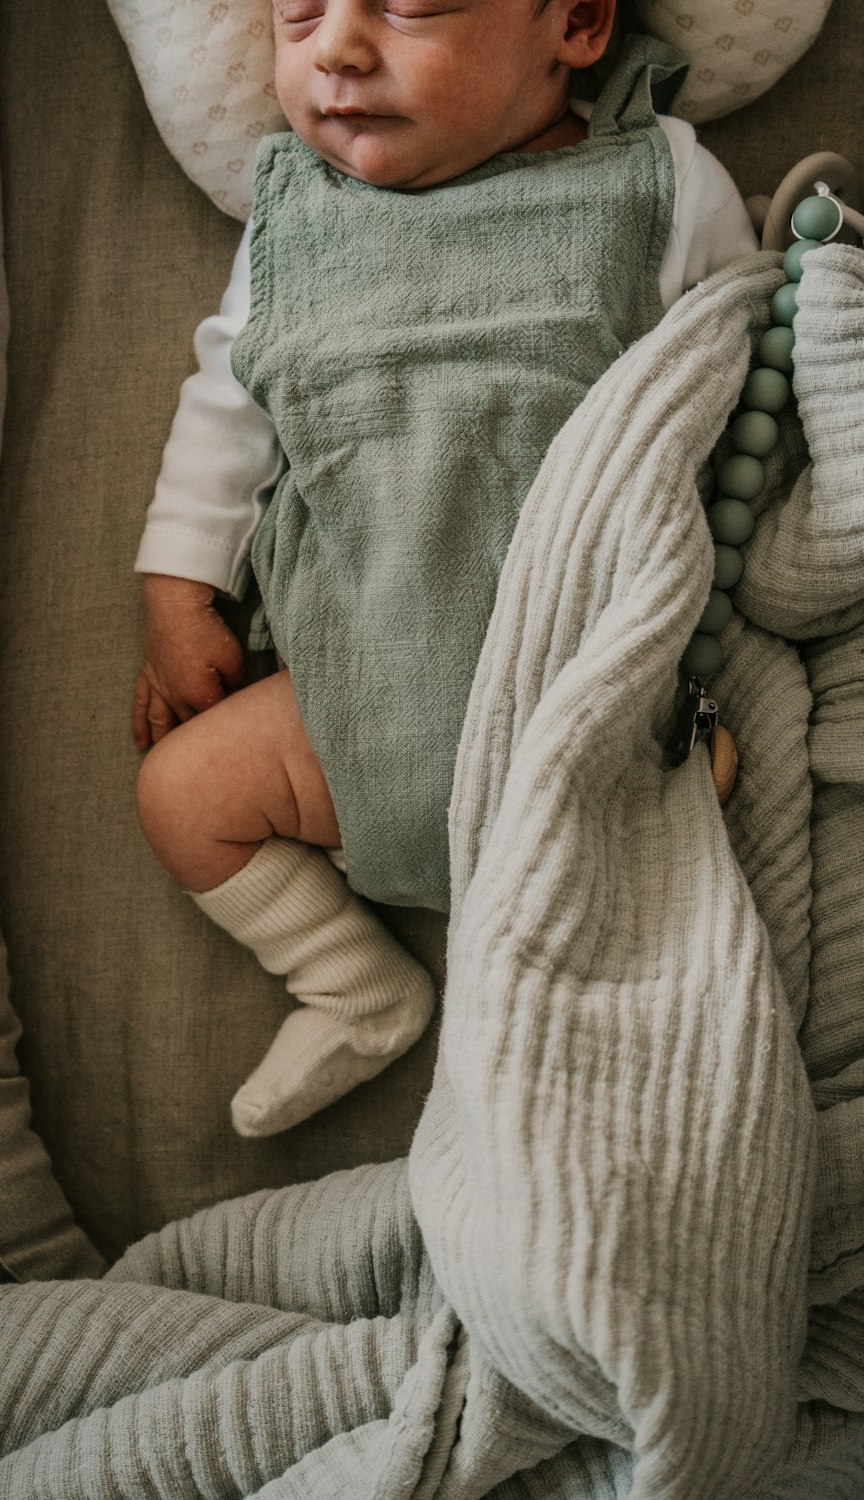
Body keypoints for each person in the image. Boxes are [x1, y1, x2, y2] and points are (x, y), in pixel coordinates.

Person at [132, 0, 759, 1138]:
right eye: (299, 15)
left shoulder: (656, 184)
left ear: (572, 25)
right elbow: (228, 404)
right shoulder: (294, 219)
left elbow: (732, 365)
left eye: (410, 8)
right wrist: (178, 590)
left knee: (708, 820)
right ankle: (349, 980)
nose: (338, 49)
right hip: (349, 700)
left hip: (573, 700)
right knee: (181, 793)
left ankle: (573, 1038)